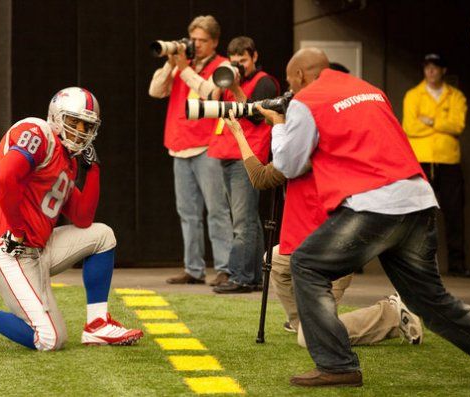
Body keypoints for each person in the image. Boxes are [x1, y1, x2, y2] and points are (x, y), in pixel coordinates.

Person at [259, 47, 470, 387]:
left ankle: (337, 366)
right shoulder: (370, 90)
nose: (291, 92)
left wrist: (278, 126)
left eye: (291, 84)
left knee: (306, 263)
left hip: (374, 204)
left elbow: (289, 165)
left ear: (301, 76)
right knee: (432, 301)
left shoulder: (310, 99)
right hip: (418, 199)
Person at [0, 87, 143, 351]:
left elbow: (83, 218)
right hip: (8, 248)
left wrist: (93, 170)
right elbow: (4, 178)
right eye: (75, 122)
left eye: (87, 125)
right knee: (48, 339)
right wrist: (16, 229)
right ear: (56, 116)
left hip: (38, 249)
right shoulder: (37, 132)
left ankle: (97, 324)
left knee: (102, 235)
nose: (81, 130)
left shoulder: (67, 161)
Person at [223, 107, 423, 348]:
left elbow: (261, 177)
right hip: (311, 246)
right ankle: (301, 322)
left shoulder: (311, 154)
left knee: (311, 339)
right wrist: (253, 124)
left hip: (334, 252)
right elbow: (265, 174)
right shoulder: (308, 149)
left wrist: (249, 131)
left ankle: (390, 314)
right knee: (274, 260)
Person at [149, 15, 233, 286]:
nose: (196, 45)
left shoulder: (223, 66)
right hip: (179, 146)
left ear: (215, 42)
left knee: (217, 211)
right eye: (193, 39)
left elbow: (212, 94)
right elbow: (155, 91)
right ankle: (193, 269)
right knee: (188, 214)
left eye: (202, 41)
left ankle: (225, 268)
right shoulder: (180, 66)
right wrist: (171, 63)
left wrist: (185, 69)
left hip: (208, 146)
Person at [207, 36, 280, 294]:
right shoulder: (228, 79)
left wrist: (236, 87)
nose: (239, 66)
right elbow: (212, 104)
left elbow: (258, 116)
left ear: (255, 57)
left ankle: (241, 276)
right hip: (228, 154)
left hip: (247, 157)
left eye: (244, 61)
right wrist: (221, 83)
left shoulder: (265, 83)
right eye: (234, 62)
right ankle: (257, 276)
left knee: (243, 221)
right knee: (249, 220)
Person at [402, 53, 470, 277]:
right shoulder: (413, 95)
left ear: (443, 70)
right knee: (419, 213)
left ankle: (457, 265)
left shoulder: (456, 96)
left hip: (448, 160)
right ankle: (416, 264)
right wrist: (442, 124)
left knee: (454, 213)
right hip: (421, 159)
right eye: (427, 67)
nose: (431, 71)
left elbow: (458, 125)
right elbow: (410, 127)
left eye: (436, 67)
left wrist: (430, 121)